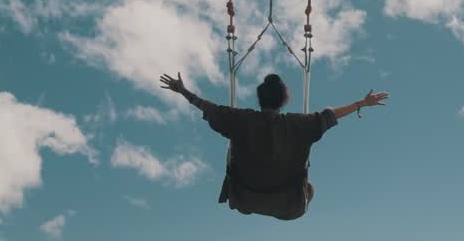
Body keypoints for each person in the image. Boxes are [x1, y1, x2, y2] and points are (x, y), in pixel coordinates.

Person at [159, 71, 389, 220]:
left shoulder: (240, 120)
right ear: (284, 99)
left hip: (244, 198)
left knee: (241, 168)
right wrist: (362, 103)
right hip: (290, 206)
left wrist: (182, 91)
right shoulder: (300, 125)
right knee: (311, 189)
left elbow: (207, 107)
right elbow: (330, 114)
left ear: (260, 98)